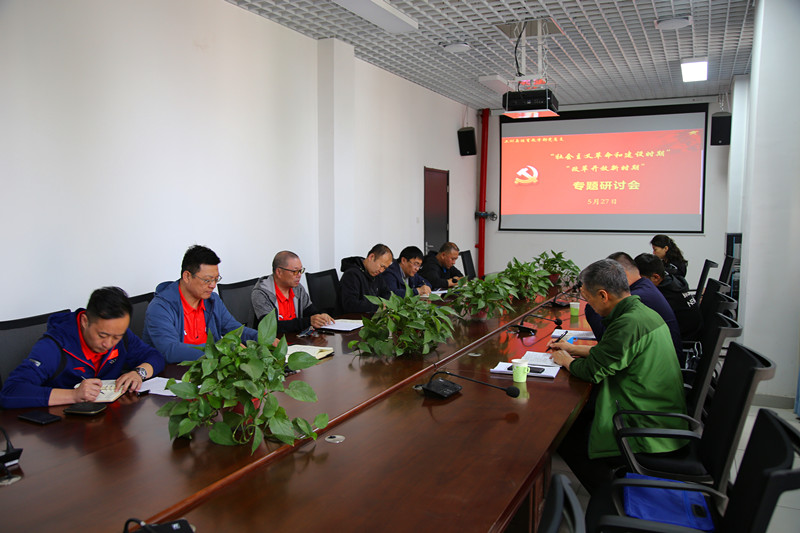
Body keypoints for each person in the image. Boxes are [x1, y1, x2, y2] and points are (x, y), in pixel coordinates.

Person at [548, 259, 687, 494]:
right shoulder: (639, 312)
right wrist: (573, 348)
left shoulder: (628, 323)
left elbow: (592, 371)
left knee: (565, 436)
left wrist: (566, 360)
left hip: (646, 426)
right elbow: (615, 352)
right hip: (656, 410)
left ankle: (611, 496)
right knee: (580, 418)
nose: (587, 304)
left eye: (587, 298)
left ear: (603, 295)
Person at [0, 287, 165, 409]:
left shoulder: (122, 336)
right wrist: (73, 395)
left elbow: (155, 357)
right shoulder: (54, 346)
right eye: (102, 335)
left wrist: (139, 373)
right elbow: (10, 392)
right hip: (63, 432)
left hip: (107, 421)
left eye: (116, 337)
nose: (108, 344)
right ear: (85, 321)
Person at [143, 245, 257, 363]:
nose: (213, 285)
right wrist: (219, 350)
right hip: (176, 371)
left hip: (209, 367)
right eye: (207, 280)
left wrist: (263, 339)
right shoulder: (160, 308)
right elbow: (170, 351)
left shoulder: (212, 300)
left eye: (216, 279)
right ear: (187, 276)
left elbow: (236, 330)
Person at [584, 252, 682, 359]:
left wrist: (591, 302)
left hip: (657, 362)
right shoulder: (646, 286)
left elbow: (607, 343)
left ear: (621, 275)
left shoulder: (636, 298)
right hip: (658, 358)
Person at [251, 251, 335, 334]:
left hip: (296, 338)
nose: (299, 275)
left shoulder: (297, 288)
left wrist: (321, 316)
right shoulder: (261, 293)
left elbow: (310, 311)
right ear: (279, 272)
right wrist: (308, 322)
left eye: (301, 270)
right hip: (275, 341)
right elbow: (271, 327)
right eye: (295, 271)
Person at [635, 253, 703, 342]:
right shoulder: (673, 282)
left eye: (639, 279)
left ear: (655, 277)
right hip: (694, 334)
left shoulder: (662, 294)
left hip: (685, 340)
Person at [339, 244, 393, 314]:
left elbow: (386, 293)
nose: (381, 270)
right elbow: (350, 305)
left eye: (385, 268)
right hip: (352, 318)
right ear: (371, 257)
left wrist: (384, 304)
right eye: (381, 266)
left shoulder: (376, 273)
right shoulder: (352, 274)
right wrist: (378, 306)